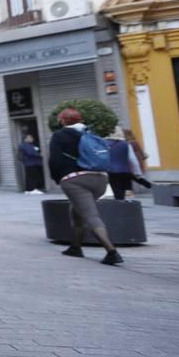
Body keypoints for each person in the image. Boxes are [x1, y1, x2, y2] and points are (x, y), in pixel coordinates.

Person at [47, 108, 123, 266]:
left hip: (75, 180)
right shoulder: (91, 133)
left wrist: (58, 177)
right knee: (77, 212)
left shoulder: (59, 135)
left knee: (90, 215)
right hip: (100, 179)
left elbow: (54, 160)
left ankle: (111, 252)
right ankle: (76, 247)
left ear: (62, 121)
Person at [106, 126, 146, 201]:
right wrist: (137, 172)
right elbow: (132, 158)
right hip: (125, 170)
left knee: (117, 191)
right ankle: (126, 203)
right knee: (125, 190)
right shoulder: (126, 144)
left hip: (111, 172)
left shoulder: (105, 143)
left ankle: (120, 205)